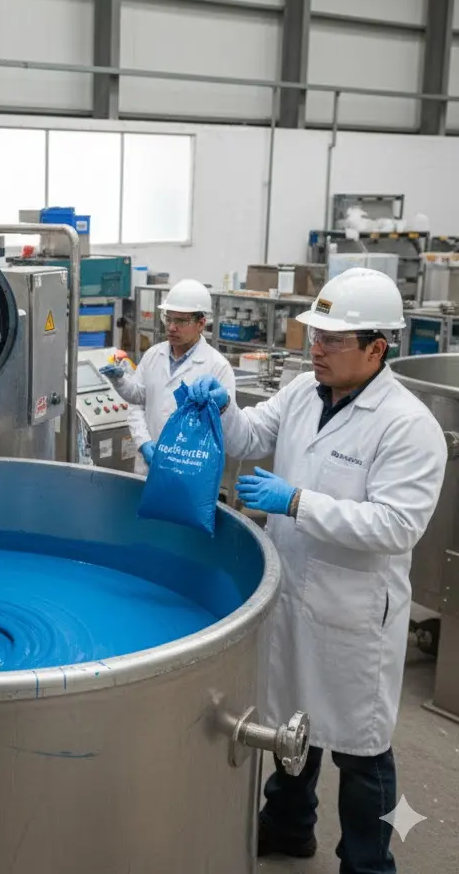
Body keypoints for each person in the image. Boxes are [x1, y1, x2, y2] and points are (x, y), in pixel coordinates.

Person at [186, 267, 446, 874]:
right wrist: (222, 410)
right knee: (289, 723)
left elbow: (396, 526)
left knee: (361, 752)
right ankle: (288, 824)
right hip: (294, 588)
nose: (315, 348)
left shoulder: (409, 426)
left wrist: (297, 502)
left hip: (354, 609)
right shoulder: (305, 391)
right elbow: (250, 437)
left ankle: (367, 861)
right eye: (314, 335)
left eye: (331, 340)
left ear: (376, 349)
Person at [108, 278, 234, 474]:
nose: (172, 327)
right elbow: (137, 401)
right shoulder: (153, 355)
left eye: (181, 321)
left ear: (201, 323)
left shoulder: (217, 367)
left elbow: (225, 428)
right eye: (169, 318)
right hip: (147, 468)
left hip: (189, 472)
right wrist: (143, 442)